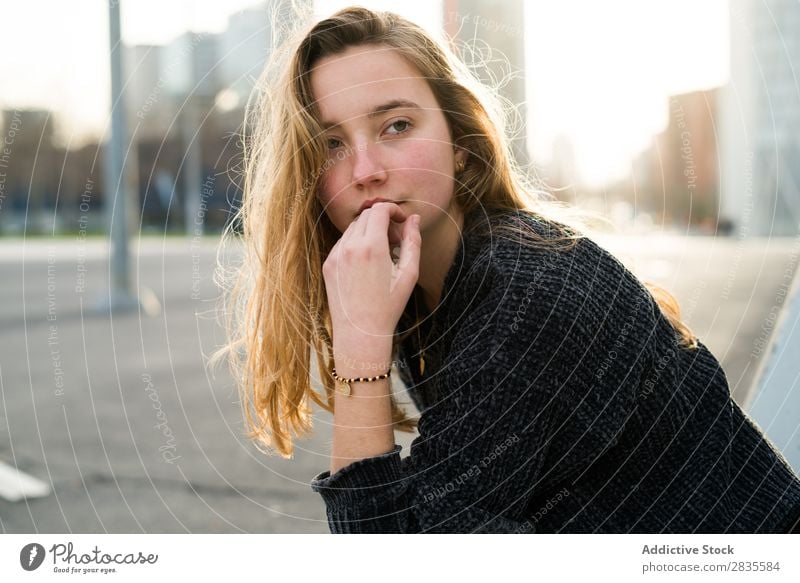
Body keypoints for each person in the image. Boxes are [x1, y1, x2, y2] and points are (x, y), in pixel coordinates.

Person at [219, 6, 800, 533]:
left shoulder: (526, 293)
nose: (366, 169)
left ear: (461, 142)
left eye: (396, 125)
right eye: (331, 145)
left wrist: (361, 344)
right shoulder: (425, 287)